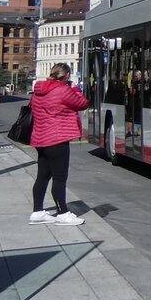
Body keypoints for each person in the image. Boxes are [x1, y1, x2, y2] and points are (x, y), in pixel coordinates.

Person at [29, 62, 90, 226]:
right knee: (60, 177)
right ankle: (63, 214)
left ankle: (37, 212)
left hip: (40, 139)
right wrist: (76, 89)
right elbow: (83, 103)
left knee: (42, 176)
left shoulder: (38, 91)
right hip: (57, 138)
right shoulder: (63, 90)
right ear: (67, 75)